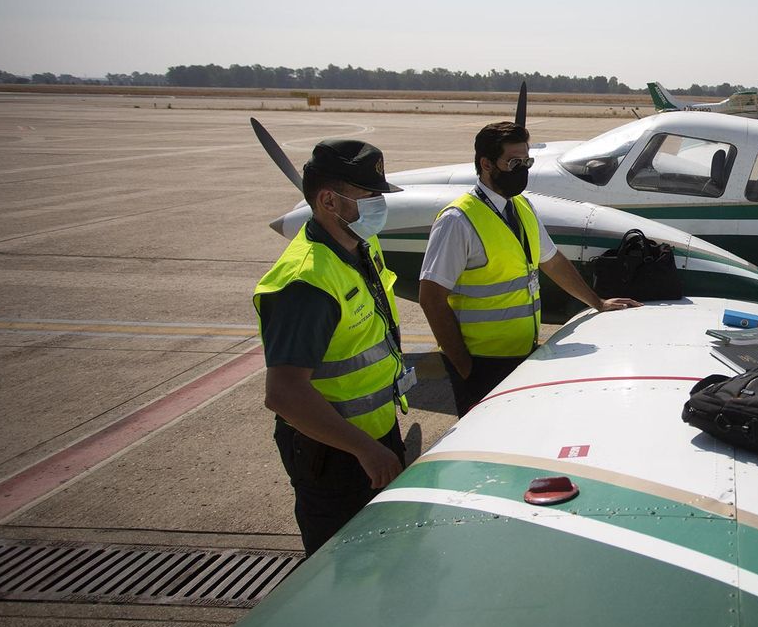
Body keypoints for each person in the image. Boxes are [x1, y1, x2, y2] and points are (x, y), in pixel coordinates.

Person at [256, 139, 414, 554]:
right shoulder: (304, 283)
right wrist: (365, 449)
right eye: (369, 196)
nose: (379, 205)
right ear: (329, 200)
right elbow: (284, 393)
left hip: (373, 435)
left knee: (383, 554)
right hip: (334, 453)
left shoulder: (360, 243)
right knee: (343, 563)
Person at [419, 121, 640, 416]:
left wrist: (597, 302)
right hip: (481, 361)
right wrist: (465, 368)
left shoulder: (522, 207)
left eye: (527, 161)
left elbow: (553, 262)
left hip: (521, 354)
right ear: (486, 164)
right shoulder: (457, 221)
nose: (522, 169)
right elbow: (431, 298)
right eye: (513, 162)